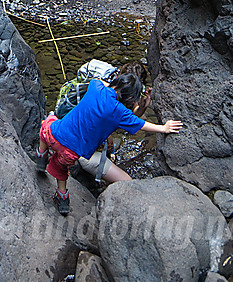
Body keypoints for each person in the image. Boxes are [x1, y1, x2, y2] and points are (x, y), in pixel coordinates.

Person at [36, 72, 182, 214]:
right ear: (130, 98)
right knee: (62, 170)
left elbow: (98, 81)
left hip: (54, 135)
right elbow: (139, 123)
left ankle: (41, 156)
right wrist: (163, 128)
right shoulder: (118, 112)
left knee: (48, 122)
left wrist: (115, 85)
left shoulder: (95, 87)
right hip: (73, 153)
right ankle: (63, 199)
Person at [77, 61, 152, 184]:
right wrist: (163, 128)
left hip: (90, 132)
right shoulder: (108, 95)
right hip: (83, 144)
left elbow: (133, 114)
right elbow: (135, 123)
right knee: (127, 182)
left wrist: (143, 106)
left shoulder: (114, 89)